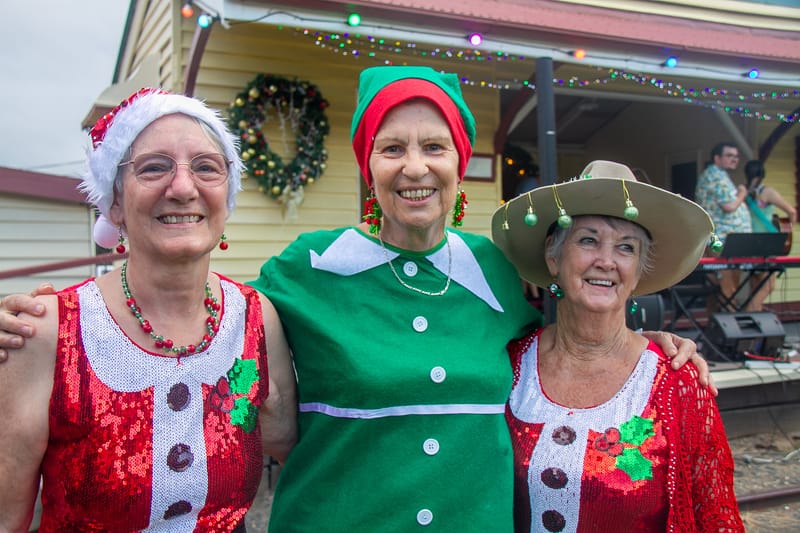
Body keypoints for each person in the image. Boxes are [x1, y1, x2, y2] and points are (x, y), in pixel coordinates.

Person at [0, 67, 709, 532]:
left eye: (435, 147)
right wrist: (56, 315)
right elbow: (199, 309)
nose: (414, 167)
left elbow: (575, 331)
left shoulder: (498, 272)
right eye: (391, 148)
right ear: (368, 167)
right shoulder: (302, 270)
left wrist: (655, 347)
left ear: (459, 164)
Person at [0, 89, 297, 532]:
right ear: (114, 202)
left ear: (227, 197)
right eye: (154, 167)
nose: (182, 188)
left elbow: (301, 454)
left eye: (206, 167)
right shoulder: (47, 331)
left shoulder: (256, 318)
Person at [492, 160, 743, 532]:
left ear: (640, 268)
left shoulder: (677, 381)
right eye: (588, 240)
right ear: (553, 255)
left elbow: (715, 518)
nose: (606, 261)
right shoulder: (509, 366)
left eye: (626, 248)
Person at [694, 142, 750, 310]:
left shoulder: (720, 175)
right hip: (722, 240)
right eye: (729, 155)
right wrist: (742, 193)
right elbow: (729, 206)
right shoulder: (715, 176)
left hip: (727, 240)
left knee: (721, 287)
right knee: (727, 286)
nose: (734, 159)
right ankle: (731, 326)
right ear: (717, 158)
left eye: (736, 156)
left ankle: (716, 325)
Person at [744, 159, 797, 311]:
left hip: (750, 243)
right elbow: (791, 211)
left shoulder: (745, 193)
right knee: (768, 286)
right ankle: (748, 314)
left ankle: (753, 328)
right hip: (766, 244)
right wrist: (788, 232)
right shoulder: (767, 192)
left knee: (755, 287)